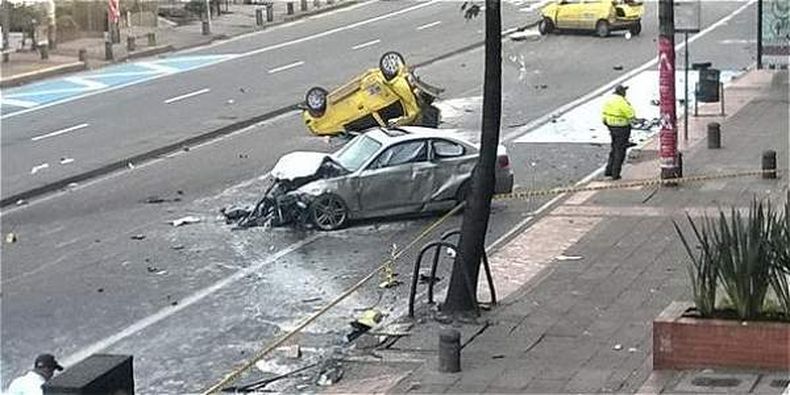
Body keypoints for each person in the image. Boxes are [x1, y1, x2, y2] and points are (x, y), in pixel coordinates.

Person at [601, 84, 636, 180]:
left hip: (611, 126)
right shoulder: (621, 101)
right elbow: (631, 114)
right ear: (622, 92)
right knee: (620, 151)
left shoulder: (609, 100)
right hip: (622, 127)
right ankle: (615, 174)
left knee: (614, 148)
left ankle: (608, 171)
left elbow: (603, 114)